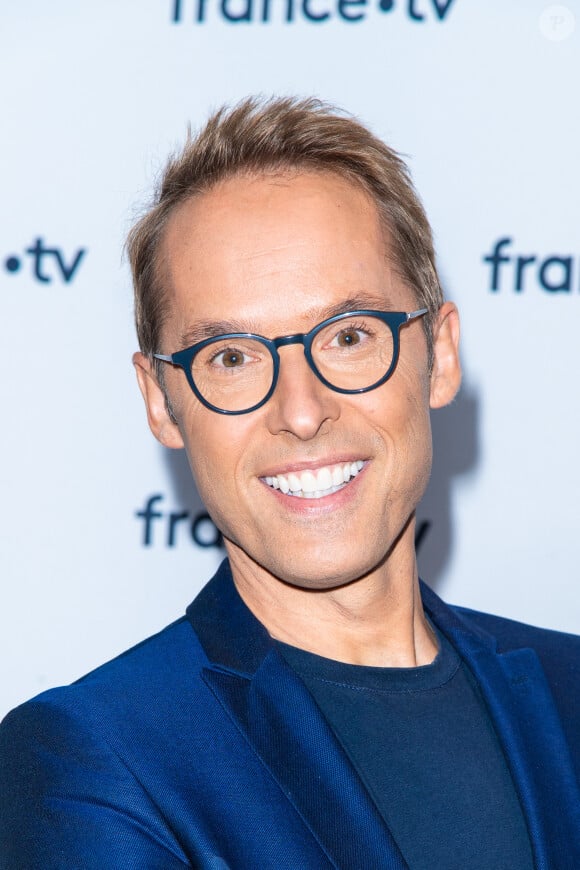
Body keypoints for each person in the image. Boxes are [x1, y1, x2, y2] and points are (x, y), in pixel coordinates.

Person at [1, 97, 579, 869]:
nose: (301, 412)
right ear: (161, 402)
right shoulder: (93, 760)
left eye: (347, 337)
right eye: (232, 357)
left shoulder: (570, 688)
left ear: (438, 355)